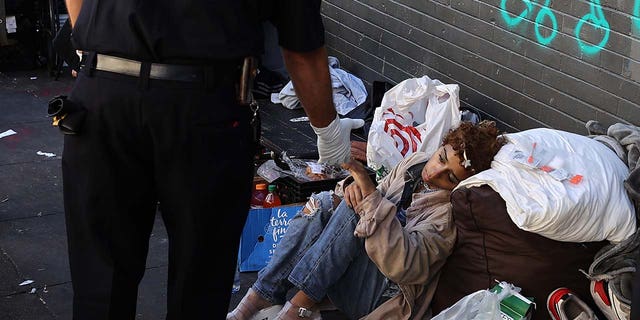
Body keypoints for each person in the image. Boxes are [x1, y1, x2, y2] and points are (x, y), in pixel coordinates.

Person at [60, 1, 364, 319]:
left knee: (101, 277)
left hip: (103, 94)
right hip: (201, 107)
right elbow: (302, 48)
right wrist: (328, 132)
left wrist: (99, 53)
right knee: (200, 274)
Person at [227, 120, 506, 320]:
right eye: (441, 158)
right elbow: (376, 194)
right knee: (326, 202)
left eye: (451, 177)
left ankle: (296, 310)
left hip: (380, 297)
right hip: (348, 272)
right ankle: (259, 296)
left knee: (358, 208)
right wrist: (350, 186)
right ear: (440, 146)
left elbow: (404, 267)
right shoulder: (416, 164)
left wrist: (366, 195)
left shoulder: (448, 215)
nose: (435, 173)